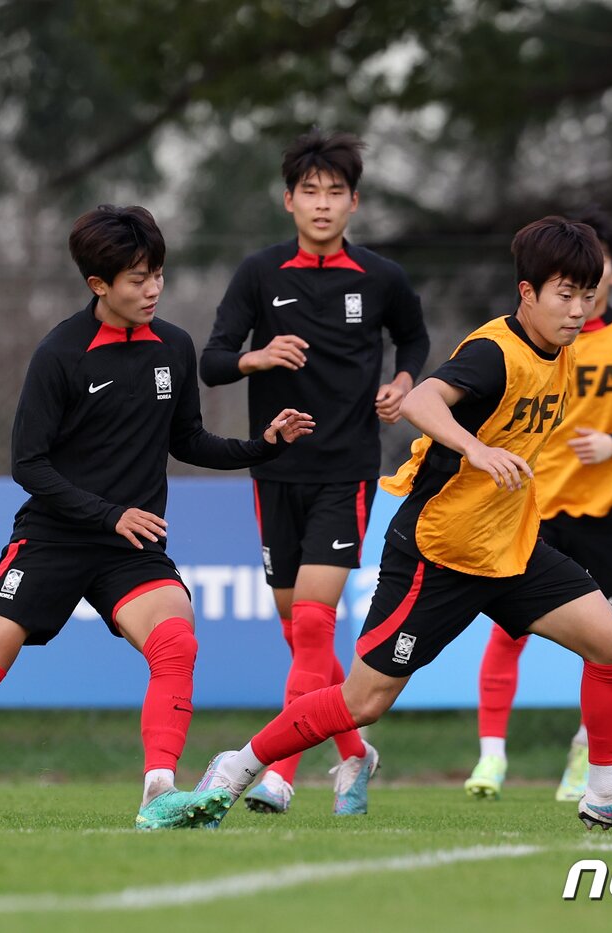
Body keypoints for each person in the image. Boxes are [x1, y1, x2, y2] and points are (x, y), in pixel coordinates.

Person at [0, 205, 314, 830]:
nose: (152, 289)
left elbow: (189, 440)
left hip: (130, 544)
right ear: (98, 284)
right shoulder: (61, 354)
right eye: (136, 278)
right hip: (53, 537)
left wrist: (265, 444)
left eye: (157, 274)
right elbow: (29, 465)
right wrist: (109, 513)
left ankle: (159, 793)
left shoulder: (174, 347)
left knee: (176, 640)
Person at [197, 216, 612, 832]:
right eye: (563, 294)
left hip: (508, 548)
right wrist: (476, 450)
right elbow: (419, 400)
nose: (576, 309)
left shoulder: (562, 351)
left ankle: (605, 796)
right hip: (438, 551)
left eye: (586, 296)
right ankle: (237, 766)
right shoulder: (494, 352)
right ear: (527, 293)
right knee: (364, 701)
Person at [199, 130, 429, 816]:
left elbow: (413, 337)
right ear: (288, 200)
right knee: (295, 625)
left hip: (347, 470)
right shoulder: (260, 274)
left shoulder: (381, 278)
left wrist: (404, 382)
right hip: (275, 472)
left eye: (336, 193)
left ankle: (278, 770)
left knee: (312, 625)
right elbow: (211, 360)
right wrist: (256, 358)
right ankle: (357, 752)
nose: (322, 204)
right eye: (310, 192)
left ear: (354, 203)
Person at [465, 209, 612, 802]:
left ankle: (587, 759)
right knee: (506, 632)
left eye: (600, 270)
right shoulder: (538, 340)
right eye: (570, 283)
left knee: (608, 640)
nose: (585, 293)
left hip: (606, 510)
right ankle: (491, 758)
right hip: (532, 503)